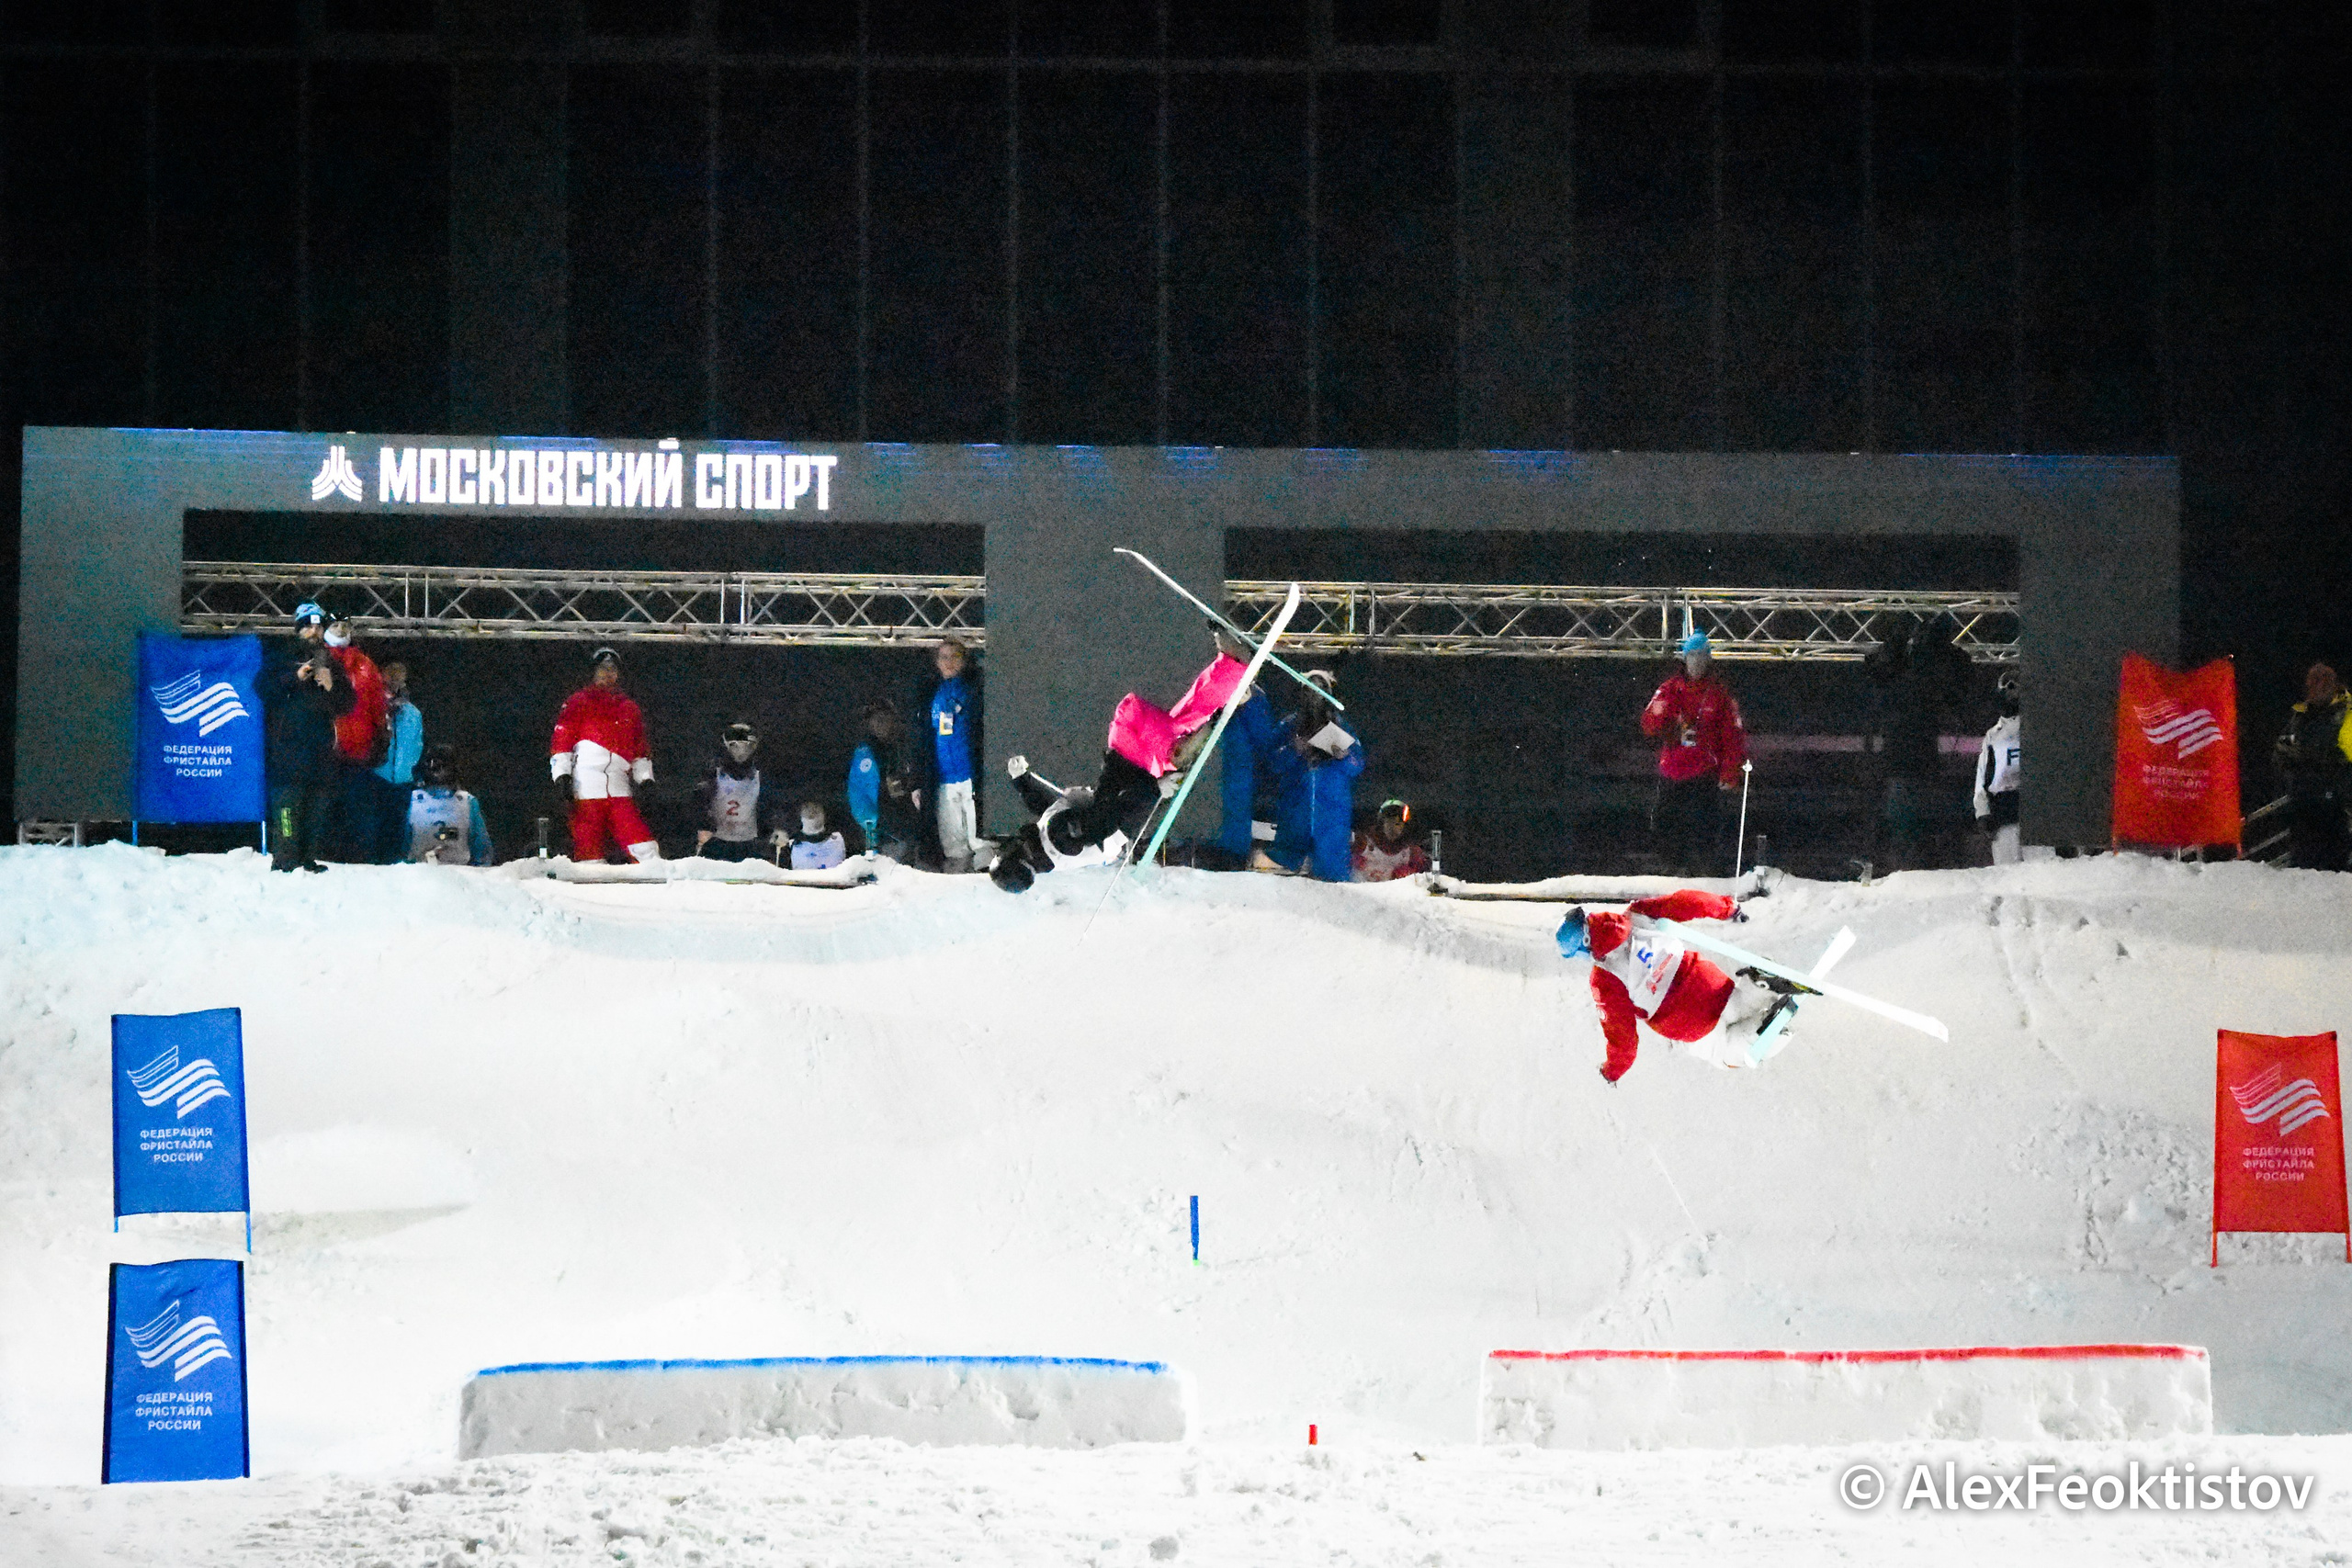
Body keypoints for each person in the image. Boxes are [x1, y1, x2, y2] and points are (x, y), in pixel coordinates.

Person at [989, 626, 1252, 893]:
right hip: (1131, 779)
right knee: (1131, 714)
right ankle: (1179, 745)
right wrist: (1152, 791)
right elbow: (1109, 817)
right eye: (1010, 848)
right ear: (1020, 857)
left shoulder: (1052, 841)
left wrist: (1022, 782)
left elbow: (1048, 808)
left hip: (1133, 782)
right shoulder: (1060, 838)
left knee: (1171, 725)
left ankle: (1229, 676)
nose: (1012, 840)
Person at [1557, 893, 1801, 1083]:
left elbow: (1622, 1037)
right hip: (1708, 983)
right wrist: (1726, 907)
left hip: (1684, 1020)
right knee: (1737, 1006)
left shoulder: (1604, 979)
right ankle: (1761, 987)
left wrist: (1613, 1071)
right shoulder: (1637, 915)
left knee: (1724, 1053)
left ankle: (1765, 1033)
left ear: (1583, 946)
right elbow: (1685, 902)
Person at [1865, 618, 1971, 871]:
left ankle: (1913, 866)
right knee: (1909, 827)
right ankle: (1911, 867)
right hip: (1910, 766)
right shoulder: (1907, 677)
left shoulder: (1919, 676)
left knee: (1911, 827)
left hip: (1911, 765)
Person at [1639, 631, 1747, 876]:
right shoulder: (1670, 689)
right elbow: (1649, 723)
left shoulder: (1719, 694)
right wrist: (1670, 727)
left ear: (1708, 659)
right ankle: (1671, 866)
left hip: (1703, 771)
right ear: (1684, 659)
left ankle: (1702, 868)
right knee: (1666, 822)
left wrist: (1731, 772)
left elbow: (1733, 736)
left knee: (1703, 823)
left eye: (1701, 656)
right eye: (1692, 656)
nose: (1696, 662)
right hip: (1673, 769)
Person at [265, 604, 355, 873]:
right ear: (298, 628)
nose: (314, 631)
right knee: (288, 810)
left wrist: (331, 685)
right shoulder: (281, 657)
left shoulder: (331, 663)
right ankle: (285, 861)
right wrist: (295, 677)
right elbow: (262, 690)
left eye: (318, 626)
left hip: (321, 753)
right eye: (308, 626)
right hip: (288, 752)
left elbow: (348, 703)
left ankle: (307, 858)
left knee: (316, 810)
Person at [549, 646, 661, 863]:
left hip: (620, 787)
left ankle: (654, 884)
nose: (607, 673)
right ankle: (589, 895)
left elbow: (639, 748)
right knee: (588, 849)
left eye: (612, 669)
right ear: (593, 672)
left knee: (644, 848)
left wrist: (646, 780)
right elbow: (562, 741)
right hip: (587, 787)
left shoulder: (629, 708)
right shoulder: (578, 702)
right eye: (602, 668)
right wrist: (561, 776)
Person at [1263, 670, 1363, 881]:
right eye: (1310, 690)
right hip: (1295, 812)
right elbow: (1272, 762)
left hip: (1332, 816)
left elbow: (1357, 765)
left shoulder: (1342, 727)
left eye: (1320, 691)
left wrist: (1343, 756)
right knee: (1285, 877)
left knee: (1332, 879)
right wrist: (1294, 749)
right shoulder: (1289, 726)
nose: (1315, 698)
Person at [2273, 660, 2352, 872]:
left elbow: (2339, 756)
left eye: (2325, 679)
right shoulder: (2299, 715)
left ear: (2335, 683)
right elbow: (2281, 752)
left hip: (2335, 805)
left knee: (2333, 870)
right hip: (2302, 803)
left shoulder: (2346, 713)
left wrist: (2317, 759)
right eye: (2314, 680)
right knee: (2302, 870)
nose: (2319, 684)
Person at [322, 615, 390, 861]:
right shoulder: (316, 657)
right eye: (334, 625)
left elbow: (376, 703)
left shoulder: (365, 665)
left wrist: (381, 733)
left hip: (359, 750)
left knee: (359, 812)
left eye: (345, 626)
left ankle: (360, 861)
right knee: (326, 809)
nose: (340, 630)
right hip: (325, 750)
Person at [694, 720, 786, 863]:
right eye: (735, 746)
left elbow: (773, 804)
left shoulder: (761, 775)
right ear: (726, 747)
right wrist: (703, 826)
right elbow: (700, 802)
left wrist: (778, 828)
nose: (742, 752)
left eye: (748, 747)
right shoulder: (713, 773)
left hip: (751, 843)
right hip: (717, 842)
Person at [1215, 682, 1283, 867]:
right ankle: (1231, 855)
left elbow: (1263, 738)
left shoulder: (1255, 697)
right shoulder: (1250, 695)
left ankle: (1234, 857)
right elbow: (1264, 740)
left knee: (1234, 813)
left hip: (1236, 770)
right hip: (1225, 769)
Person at [847, 698, 923, 860]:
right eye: (875, 720)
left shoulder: (902, 747)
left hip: (908, 830)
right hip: (883, 835)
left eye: (884, 718)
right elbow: (861, 797)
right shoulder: (865, 754)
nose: (880, 724)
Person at [928, 638, 979, 872]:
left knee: (980, 840)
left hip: (970, 773)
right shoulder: (937, 694)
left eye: (954, 657)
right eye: (943, 657)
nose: (948, 663)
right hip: (945, 777)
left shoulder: (973, 688)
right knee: (953, 845)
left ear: (964, 660)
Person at [404, 744, 495, 866]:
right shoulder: (412, 800)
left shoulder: (467, 802)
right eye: (431, 762)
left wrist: (476, 875)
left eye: (442, 763)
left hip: (457, 874)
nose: (436, 768)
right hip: (419, 875)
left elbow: (482, 850)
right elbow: (401, 844)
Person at [372, 660, 424, 863]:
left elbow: (417, 744)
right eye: (390, 675)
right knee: (375, 826)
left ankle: (397, 862)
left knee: (399, 827)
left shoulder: (412, 712)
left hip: (403, 779)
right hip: (378, 776)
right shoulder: (374, 705)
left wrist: (412, 770)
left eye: (399, 676)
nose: (394, 680)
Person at [1973, 670, 2023, 865]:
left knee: (2041, 876)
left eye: (2016, 689)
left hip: (2038, 814)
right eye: (2006, 690)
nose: (2011, 695)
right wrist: (1983, 812)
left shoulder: (2041, 730)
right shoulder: (1993, 736)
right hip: (2004, 814)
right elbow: (1983, 777)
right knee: (2008, 876)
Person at [1351, 798, 1431, 882]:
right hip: (1359, 892)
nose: (1392, 828)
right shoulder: (1363, 842)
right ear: (1381, 823)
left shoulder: (1411, 852)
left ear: (1405, 826)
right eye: (1389, 822)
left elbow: (1424, 876)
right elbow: (1343, 859)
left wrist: (1407, 872)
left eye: (1398, 823)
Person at [787, 801, 848, 871]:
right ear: (800, 814)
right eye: (806, 807)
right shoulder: (790, 843)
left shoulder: (839, 839)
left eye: (816, 807)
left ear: (824, 814)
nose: (811, 811)